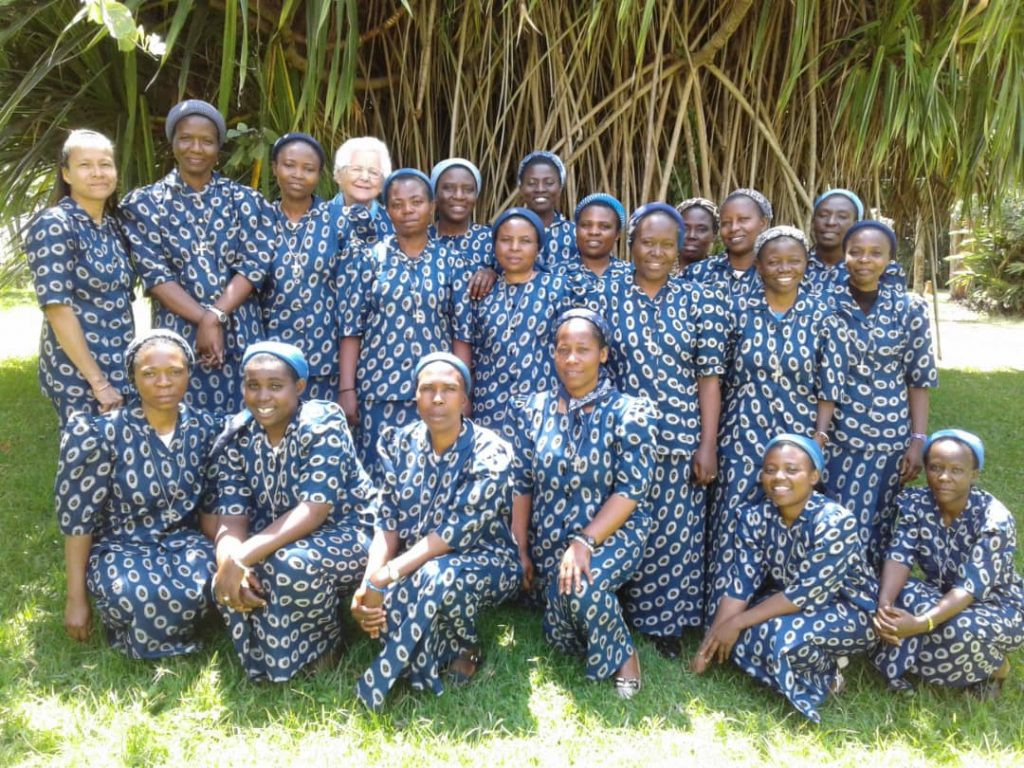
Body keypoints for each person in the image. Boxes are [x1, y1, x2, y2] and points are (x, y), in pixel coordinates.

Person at [352, 353, 521, 710]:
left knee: (437, 577)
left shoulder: (491, 451)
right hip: (415, 561)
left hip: (487, 560)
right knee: (397, 602)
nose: (438, 398)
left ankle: (465, 647)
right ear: (415, 396)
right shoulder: (398, 443)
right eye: (428, 389)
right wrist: (368, 584)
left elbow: (452, 534)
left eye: (449, 389)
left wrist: (388, 575)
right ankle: (428, 647)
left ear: (465, 399)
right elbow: (387, 522)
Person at [511, 310, 657, 699]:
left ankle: (624, 656)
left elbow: (631, 490)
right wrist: (520, 547)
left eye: (583, 350)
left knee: (581, 588)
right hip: (551, 535)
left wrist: (584, 542)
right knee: (560, 632)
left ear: (603, 354)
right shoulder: (534, 408)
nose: (571, 359)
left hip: (613, 531)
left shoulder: (629, 412)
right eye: (563, 350)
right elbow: (522, 482)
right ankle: (581, 616)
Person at [211, 341, 375, 682]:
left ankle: (327, 647)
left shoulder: (322, 423)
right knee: (230, 570)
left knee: (289, 563)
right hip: (281, 536)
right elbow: (232, 518)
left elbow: (314, 510)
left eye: (275, 386)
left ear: (299, 387)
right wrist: (229, 559)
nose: (262, 397)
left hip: (352, 533)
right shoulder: (238, 437)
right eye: (253, 385)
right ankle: (269, 660)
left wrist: (243, 556)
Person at [708, 226, 847, 620]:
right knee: (733, 519)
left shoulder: (824, 315)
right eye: (774, 261)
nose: (784, 268)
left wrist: (819, 437)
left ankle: (775, 612)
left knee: (789, 518)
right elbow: (717, 375)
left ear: (806, 265)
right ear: (758, 265)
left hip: (798, 438)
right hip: (741, 432)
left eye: (793, 261)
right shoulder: (737, 310)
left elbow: (829, 385)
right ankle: (722, 615)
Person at [55, 329, 221, 658]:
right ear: (132, 379)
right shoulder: (102, 434)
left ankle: (174, 626)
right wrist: (76, 599)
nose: (164, 382)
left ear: (189, 374)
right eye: (149, 373)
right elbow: (78, 522)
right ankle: (156, 635)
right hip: (122, 545)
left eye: (175, 371)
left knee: (202, 583)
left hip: (185, 543)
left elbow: (213, 507)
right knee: (137, 591)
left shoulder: (206, 429)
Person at [607, 204, 726, 656]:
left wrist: (707, 444)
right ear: (631, 245)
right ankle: (614, 610)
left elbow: (708, 378)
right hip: (621, 436)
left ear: (678, 250)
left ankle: (664, 623)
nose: (656, 252)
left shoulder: (699, 300)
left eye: (666, 245)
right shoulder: (608, 294)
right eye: (647, 243)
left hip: (679, 436)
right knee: (621, 524)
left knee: (674, 534)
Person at [693, 434, 878, 724]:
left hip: (850, 610)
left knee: (776, 636)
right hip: (788, 604)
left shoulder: (835, 522)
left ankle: (828, 675)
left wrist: (737, 623)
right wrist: (709, 644)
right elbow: (741, 583)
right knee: (739, 628)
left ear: (814, 476)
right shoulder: (755, 518)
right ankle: (793, 662)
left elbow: (805, 593)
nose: (779, 477)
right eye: (770, 469)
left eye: (792, 470)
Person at [121, 99, 276, 413]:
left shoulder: (246, 201)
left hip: (240, 334)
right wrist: (205, 321)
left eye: (206, 141)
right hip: (177, 339)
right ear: (173, 142)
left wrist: (215, 316)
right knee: (182, 424)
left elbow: (254, 266)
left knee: (245, 424)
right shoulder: (144, 204)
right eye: (186, 138)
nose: (196, 148)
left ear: (218, 147)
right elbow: (156, 275)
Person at [340, 169, 472, 478]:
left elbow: (462, 333)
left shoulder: (452, 262)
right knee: (378, 474)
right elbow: (351, 329)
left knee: (433, 471)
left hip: (437, 391)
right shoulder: (369, 259)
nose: (407, 210)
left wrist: (463, 392)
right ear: (387, 211)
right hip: (378, 389)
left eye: (416, 202)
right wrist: (347, 389)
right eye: (397, 204)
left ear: (432, 206)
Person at [873, 430, 1024, 699]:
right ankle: (942, 655)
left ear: (974, 475)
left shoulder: (994, 521)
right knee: (896, 595)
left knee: (958, 628)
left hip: (997, 606)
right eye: (936, 468)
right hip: (943, 595)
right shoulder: (917, 504)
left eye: (956, 470)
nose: (944, 477)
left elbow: (970, 588)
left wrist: (921, 623)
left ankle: (996, 668)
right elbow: (899, 555)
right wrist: (885, 606)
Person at [823, 220, 937, 566]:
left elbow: (918, 378)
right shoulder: (824, 303)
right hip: (838, 433)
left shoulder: (910, 308)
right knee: (835, 517)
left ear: (889, 260)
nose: (864, 260)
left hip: (889, 437)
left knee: (881, 519)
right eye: (855, 252)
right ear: (844, 255)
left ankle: (872, 587)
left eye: (875, 253)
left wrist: (918, 439)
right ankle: (836, 583)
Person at [27, 129, 135, 425]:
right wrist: (98, 382)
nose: (98, 173)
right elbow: (57, 308)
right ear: (66, 174)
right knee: (85, 451)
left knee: (120, 450)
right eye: (85, 165)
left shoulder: (111, 227)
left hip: (118, 364)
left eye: (105, 164)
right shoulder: (55, 224)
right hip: (78, 373)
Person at [463, 208, 577, 437]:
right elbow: (473, 356)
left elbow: (572, 349)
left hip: (546, 408)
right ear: (494, 246)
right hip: (491, 408)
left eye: (525, 241)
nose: (514, 247)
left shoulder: (559, 289)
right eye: (506, 240)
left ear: (538, 247)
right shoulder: (481, 293)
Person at [260, 133, 355, 401]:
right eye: (289, 165)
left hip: (326, 361)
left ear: (320, 174)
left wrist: (347, 382)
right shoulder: (260, 220)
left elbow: (351, 298)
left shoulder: (338, 220)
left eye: (308, 169)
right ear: (274, 167)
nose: (298, 175)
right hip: (272, 357)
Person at [805, 188, 906, 293]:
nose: (831, 222)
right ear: (813, 222)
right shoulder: (797, 265)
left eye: (842, 217)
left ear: (856, 224)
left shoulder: (885, 270)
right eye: (823, 215)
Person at [428, 158, 497, 300]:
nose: (459, 196)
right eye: (448, 188)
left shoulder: (492, 240)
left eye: (468, 189)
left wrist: (494, 274)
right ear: (435, 194)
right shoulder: (421, 239)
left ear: (476, 196)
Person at [684, 188, 772, 297]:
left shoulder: (777, 273)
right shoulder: (697, 273)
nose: (734, 228)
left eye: (743, 220)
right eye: (726, 222)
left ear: (763, 223)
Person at [557, 193, 630, 313]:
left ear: (617, 234)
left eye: (604, 227)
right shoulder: (555, 276)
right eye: (586, 225)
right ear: (576, 230)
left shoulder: (632, 276)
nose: (594, 232)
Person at [516, 150, 575, 271]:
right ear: (521, 188)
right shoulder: (506, 231)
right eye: (531, 183)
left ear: (560, 187)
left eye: (549, 183)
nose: (540, 189)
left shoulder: (575, 234)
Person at [330, 136, 394, 243]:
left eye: (373, 172)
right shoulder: (316, 219)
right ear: (338, 175)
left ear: (382, 184)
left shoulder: (395, 224)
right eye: (356, 169)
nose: (365, 177)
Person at [675, 197, 719, 271]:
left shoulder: (721, 274)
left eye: (701, 230)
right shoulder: (659, 269)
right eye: (685, 229)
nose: (691, 236)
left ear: (714, 234)